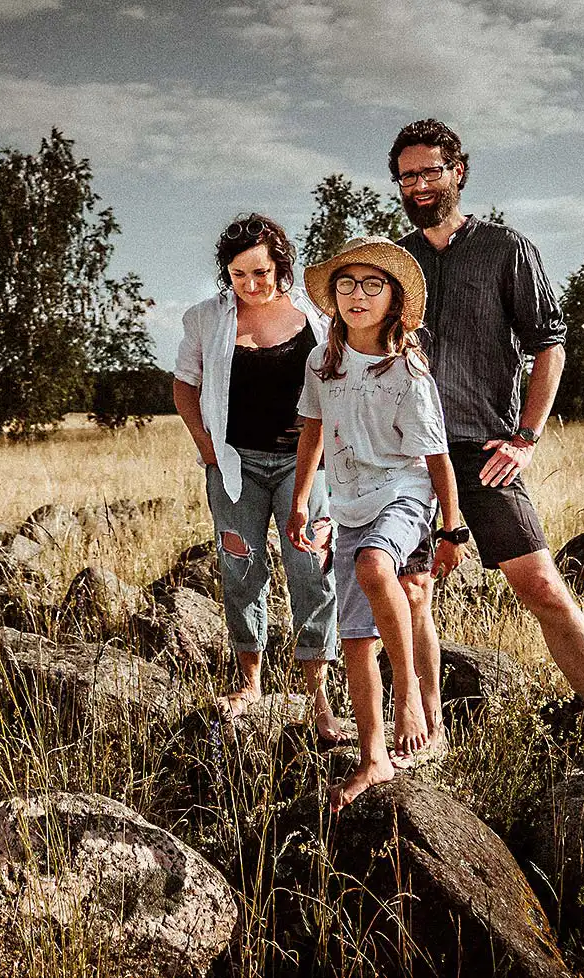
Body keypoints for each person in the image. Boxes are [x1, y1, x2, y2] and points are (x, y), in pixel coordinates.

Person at [387, 118, 584, 806]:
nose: (420, 185)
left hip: (486, 449)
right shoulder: (391, 261)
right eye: (407, 175)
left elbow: (550, 343)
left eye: (431, 171)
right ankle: (428, 727)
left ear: (459, 172)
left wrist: (526, 435)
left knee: (542, 587)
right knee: (416, 592)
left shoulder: (505, 249)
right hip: (409, 452)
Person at [287, 236, 467, 811]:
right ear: (332, 299)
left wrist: (451, 528)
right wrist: (300, 500)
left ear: (393, 300)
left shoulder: (407, 372)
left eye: (371, 286)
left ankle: (412, 695)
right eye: (346, 286)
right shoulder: (323, 361)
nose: (356, 296)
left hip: (405, 493)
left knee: (379, 570)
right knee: (356, 638)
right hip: (347, 502)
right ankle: (373, 758)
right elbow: (312, 427)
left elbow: (436, 456)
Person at [173, 213, 343, 740]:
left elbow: (340, 380)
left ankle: (319, 693)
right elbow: (185, 388)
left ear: (281, 266)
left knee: (311, 569)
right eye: (239, 274)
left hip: (303, 465)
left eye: (261, 273)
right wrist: (208, 451)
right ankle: (251, 681)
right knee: (242, 569)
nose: (251, 285)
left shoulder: (317, 315)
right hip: (234, 466)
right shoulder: (206, 318)